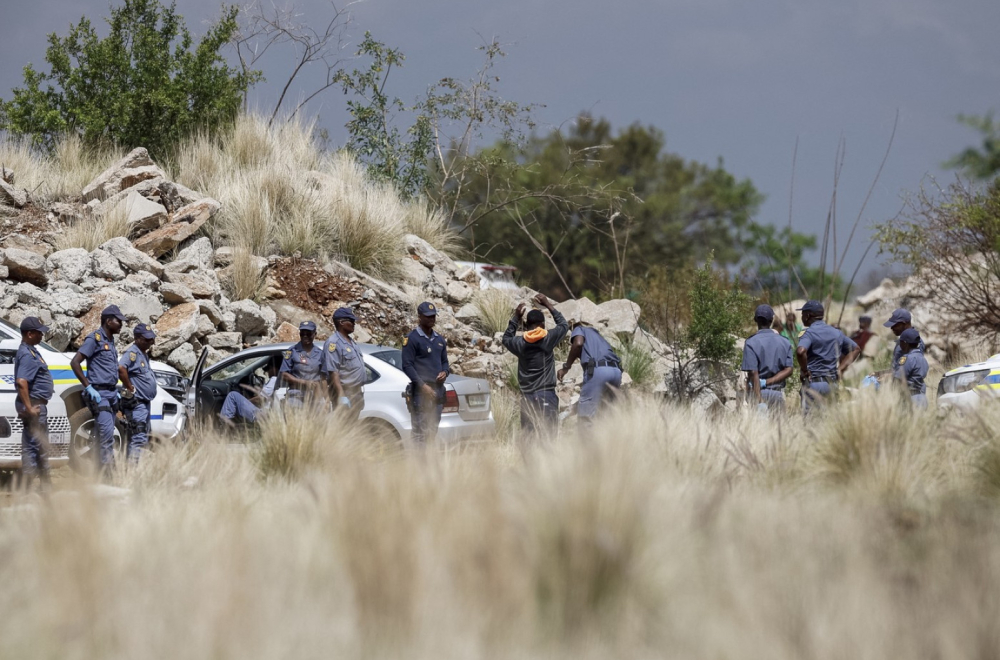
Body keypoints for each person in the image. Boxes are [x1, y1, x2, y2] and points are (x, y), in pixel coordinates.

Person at [502, 293, 569, 438]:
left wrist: (516, 318)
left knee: (529, 440)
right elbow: (564, 325)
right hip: (546, 395)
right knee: (548, 439)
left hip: (527, 399)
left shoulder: (519, 343)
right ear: (543, 325)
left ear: (526, 326)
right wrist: (548, 304)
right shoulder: (548, 338)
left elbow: (506, 338)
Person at [71, 304, 127, 473]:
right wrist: (88, 387)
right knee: (106, 435)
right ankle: (108, 476)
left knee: (102, 435)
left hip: (110, 393)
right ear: (108, 321)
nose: (121, 325)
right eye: (119, 321)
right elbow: (75, 362)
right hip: (99, 393)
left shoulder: (110, 340)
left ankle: (98, 473)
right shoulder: (94, 339)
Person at [795, 300, 860, 412]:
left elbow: (801, 351)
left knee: (810, 422)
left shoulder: (809, 333)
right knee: (828, 421)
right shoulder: (836, 332)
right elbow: (856, 349)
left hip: (813, 384)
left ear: (808, 315)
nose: (802, 317)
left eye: (803, 314)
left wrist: (805, 370)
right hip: (831, 384)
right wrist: (840, 369)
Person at [557, 314, 621, 428]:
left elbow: (578, 344)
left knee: (586, 417)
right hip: (616, 371)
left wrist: (566, 367)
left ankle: (586, 444)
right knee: (608, 413)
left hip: (598, 370)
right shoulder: (597, 335)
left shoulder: (579, 329)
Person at [402, 302, 450, 444]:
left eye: (433, 316)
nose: (431, 319)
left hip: (438, 392)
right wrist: (423, 386)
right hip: (421, 393)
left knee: (432, 431)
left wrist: (445, 372)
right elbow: (407, 365)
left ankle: (428, 464)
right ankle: (418, 465)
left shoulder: (440, 340)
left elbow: (445, 362)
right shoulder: (412, 338)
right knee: (420, 433)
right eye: (428, 316)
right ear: (420, 317)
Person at [14, 317, 53, 490]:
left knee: (38, 445)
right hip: (34, 406)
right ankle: (30, 486)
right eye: (39, 332)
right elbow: (22, 382)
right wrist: (29, 408)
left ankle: (43, 485)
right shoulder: (27, 354)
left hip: (36, 405)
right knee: (34, 446)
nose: (41, 335)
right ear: (29, 334)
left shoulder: (31, 351)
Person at [117, 323, 158, 461]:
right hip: (137, 403)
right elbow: (121, 368)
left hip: (144, 403)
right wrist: (129, 387)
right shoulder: (132, 353)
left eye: (151, 339)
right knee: (138, 438)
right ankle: (132, 472)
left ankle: (132, 469)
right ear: (137, 338)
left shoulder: (143, 354)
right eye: (147, 339)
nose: (150, 342)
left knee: (142, 437)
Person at [742, 304, 794, 411]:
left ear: (755, 320)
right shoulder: (784, 341)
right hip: (777, 393)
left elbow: (752, 372)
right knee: (779, 427)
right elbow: (789, 370)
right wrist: (768, 382)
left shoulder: (751, 342)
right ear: (771, 320)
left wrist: (760, 400)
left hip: (757, 393)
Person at [324, 307, 367, 423]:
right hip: (345, 392)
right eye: (351, 321)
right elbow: (333, 371)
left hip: (356, 392)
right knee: (344, 427)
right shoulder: (333, 343)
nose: (354, 324)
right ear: (341, 322)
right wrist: (341, 395)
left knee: (352, 427)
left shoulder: (351, 341)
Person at [279, 321, 327, 407]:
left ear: (314, 334)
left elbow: (323, 378)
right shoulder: (292, 351)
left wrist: (326, 400)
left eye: (308, 333)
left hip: (315, 396)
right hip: (296, 395)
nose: (305, 336)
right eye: (302, 333)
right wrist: (304, 382)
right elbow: (284, 374)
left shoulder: (320, 353)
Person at [219, 360, 278, 424]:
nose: (267, 372)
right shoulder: (279, 380)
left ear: (274, 368)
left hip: (262, 414)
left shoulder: (274, 379)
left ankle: (224, 425)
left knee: (232, 395)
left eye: (268, 369)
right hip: (266, 413)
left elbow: (261, 399)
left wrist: (247, 401)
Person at [893, 328, 929, 409]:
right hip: (922, 398)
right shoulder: (923, 359)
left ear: (905, 343)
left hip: (910, 399)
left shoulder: (907, 359)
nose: (900, 345)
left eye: (901, 342)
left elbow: (898, 378)